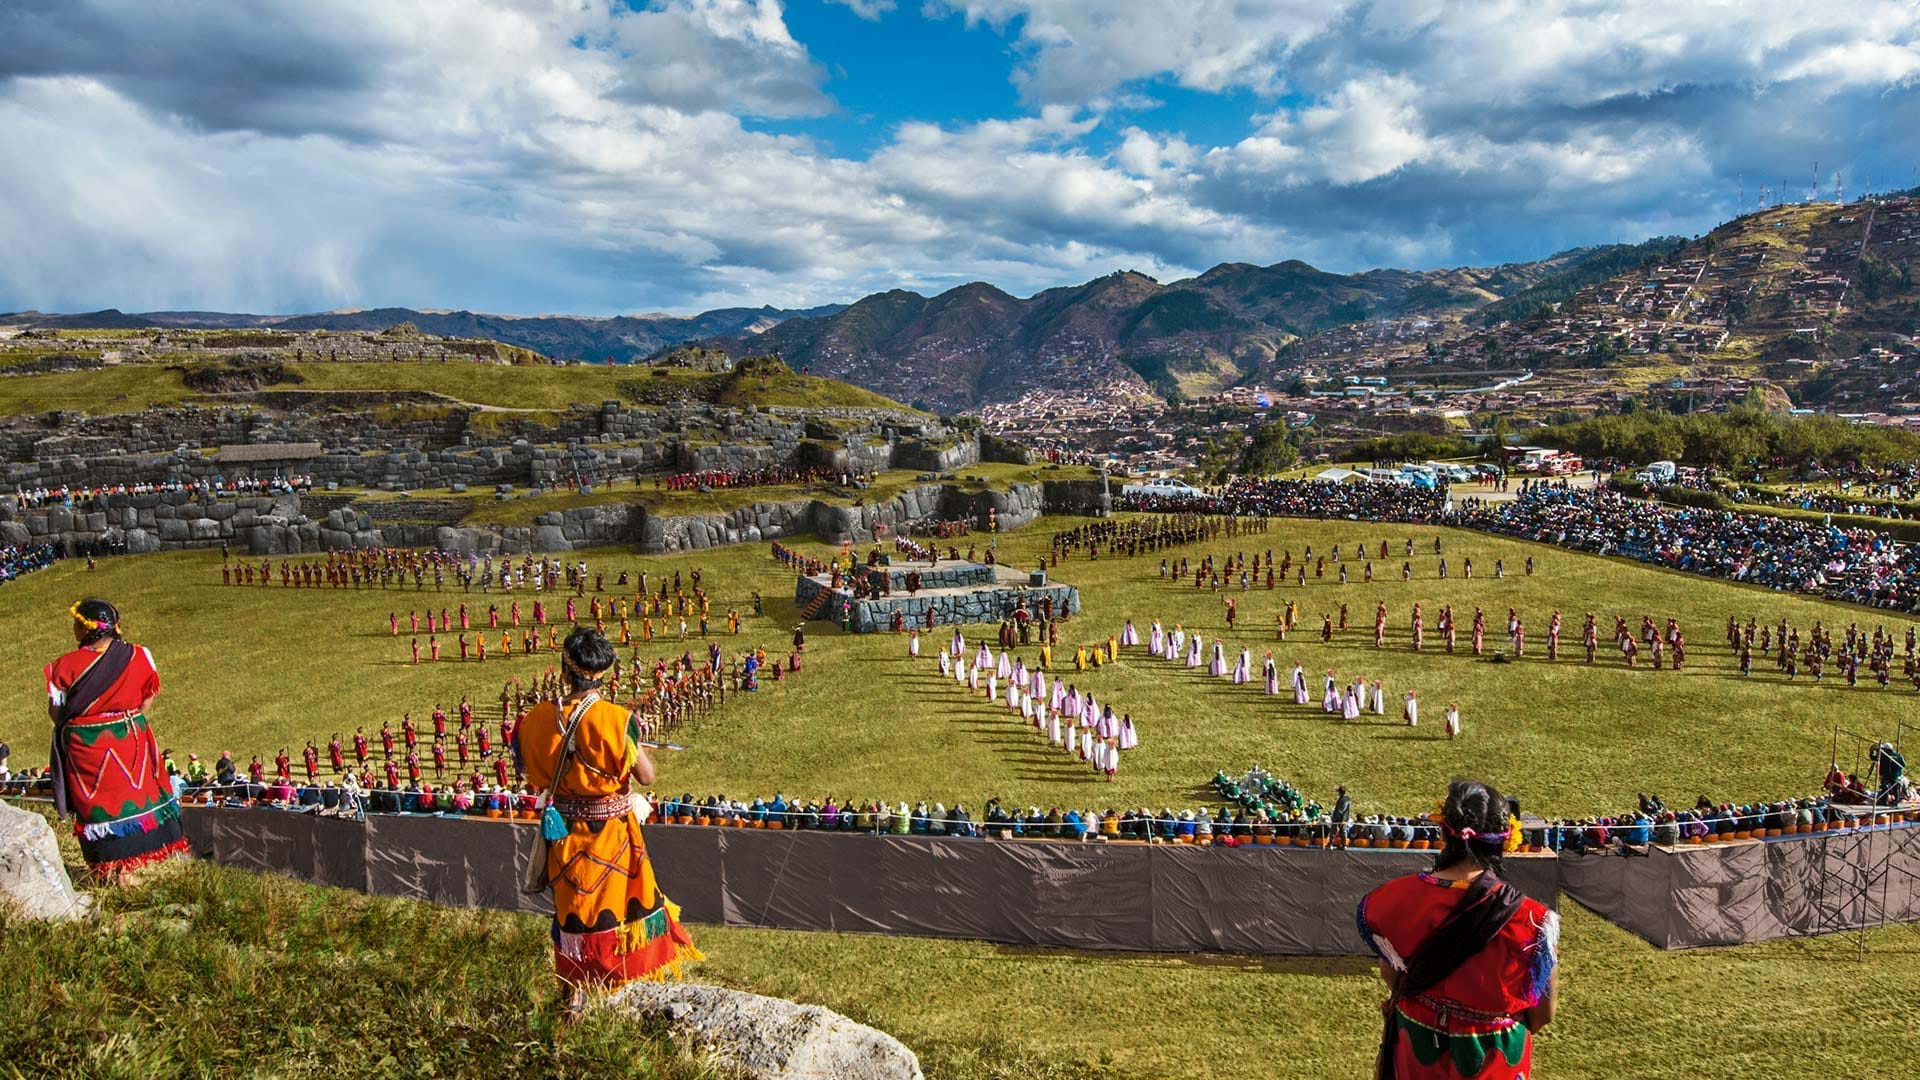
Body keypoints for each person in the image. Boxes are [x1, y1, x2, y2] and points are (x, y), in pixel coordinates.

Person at [517, 627, 701, 1014]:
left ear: (564, 670)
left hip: (563, 834)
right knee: (617, 910)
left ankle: (573, 996)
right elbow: (647, 776)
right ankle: (618, 985)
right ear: (604, 673)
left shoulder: (534, 719)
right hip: (611, 837)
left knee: (572, 914)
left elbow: (531, 773)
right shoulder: (618, 720)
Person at [1358, 779, 1558, 1079]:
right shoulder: (1533, 920)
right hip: (1495, 1054)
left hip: (1417, 1043)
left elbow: (1391, 974)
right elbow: (1542, 1014)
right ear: (1506, 839)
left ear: (1442, 832)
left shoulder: (1393, 899)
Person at [42, 599, 188, 877]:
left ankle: (109, 870)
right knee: (137, 797)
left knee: (100, 808)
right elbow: (148, 697)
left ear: (88, 630)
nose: (74, 629)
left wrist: (85, 727)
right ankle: (138, 865)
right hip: (131, 738)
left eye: (77, 624)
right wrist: (129, 719)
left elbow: (56, 712)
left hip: (87, 747)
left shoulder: (61, 667)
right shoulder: (140, 655)